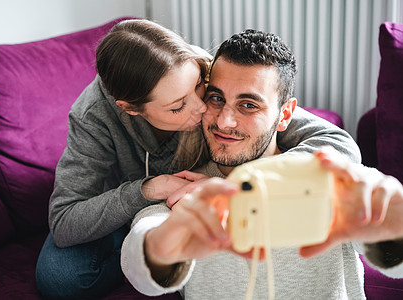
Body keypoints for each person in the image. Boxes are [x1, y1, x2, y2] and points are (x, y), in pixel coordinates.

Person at [35, 20, 361, 299]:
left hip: (191, 192)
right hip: (134, 201)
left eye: (201, 90)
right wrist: (147, 190)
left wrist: (234, 186)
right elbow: (64, 222)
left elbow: (333, 142)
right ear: (131, 109)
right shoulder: (94, 116)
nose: (206, 111)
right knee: (60, 276)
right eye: (178, 107)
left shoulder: (212, 71)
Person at [121, 29, 403, 299]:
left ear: (285, 115)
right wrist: (161, 248)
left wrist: (393, 222)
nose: (223, 121)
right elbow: (140, 264)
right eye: (216, 98)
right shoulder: (183, 193)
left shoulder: (328, 180)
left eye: (248, 105)